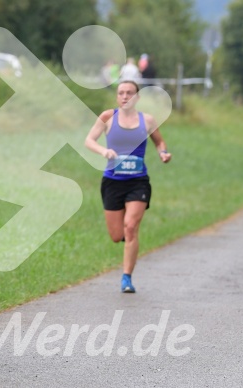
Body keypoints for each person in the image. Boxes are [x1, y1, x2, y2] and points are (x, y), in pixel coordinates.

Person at [84, 80, 172, 293]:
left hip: (138, 181)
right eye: (121, 93)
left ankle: (126, 278)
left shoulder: (147, 121)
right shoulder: (108, 117)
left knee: (131, 227)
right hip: (113, 181)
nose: (125, 96)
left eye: (129, 93)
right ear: (117, 97)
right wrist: (104, 152)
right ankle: (127, 241)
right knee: (117, 236)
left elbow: (159, 142)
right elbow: (89, 140)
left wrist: (162, 153)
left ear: (137, 97)